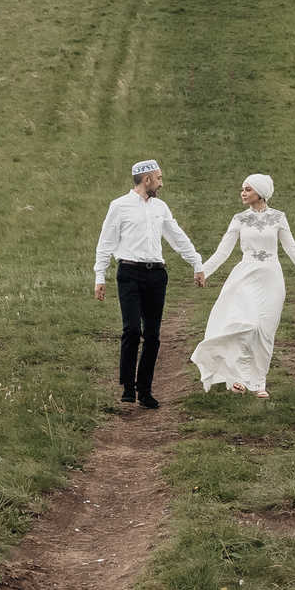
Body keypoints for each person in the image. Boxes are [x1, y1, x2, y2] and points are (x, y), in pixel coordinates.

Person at [191, 174, 295, 400]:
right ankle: (239, 378)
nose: (243, 193)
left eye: (248, 189)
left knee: (265, 330)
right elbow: (223, 251)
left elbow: (293, 250)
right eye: (242, 189)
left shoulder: (278, 218)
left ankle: (259, 382)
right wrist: (203, 270)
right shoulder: (239, 219)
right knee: (247, 325)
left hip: (271, 278)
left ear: (260, 192)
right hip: (246, 277)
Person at [93, 159, 204, 409]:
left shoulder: (160, 208)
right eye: (159, 178)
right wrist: (100, 275)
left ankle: (145, 389)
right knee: (132, 329)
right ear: (147, 180)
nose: (161, 183)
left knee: (152, 335)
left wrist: (196, 263)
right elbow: (106, 242)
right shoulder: (119, 206)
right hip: (129, 273)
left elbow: (177, 236)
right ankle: (128, 388)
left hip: (157, 276)